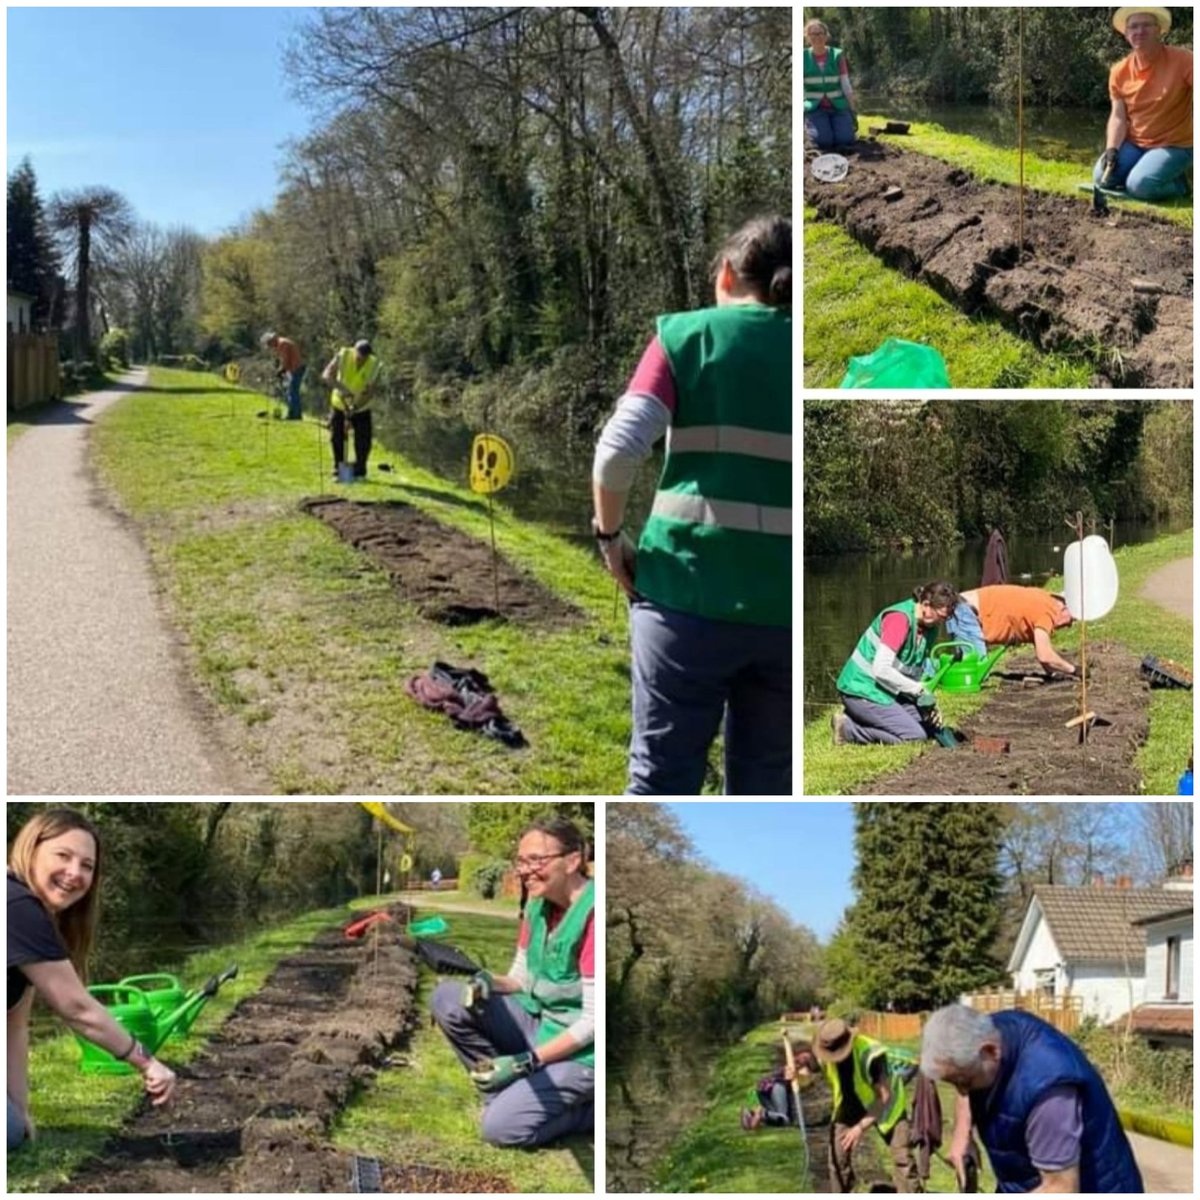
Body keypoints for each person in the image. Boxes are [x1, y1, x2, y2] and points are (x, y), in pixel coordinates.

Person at [591, 215, 791, 795]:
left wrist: (610, 539)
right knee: (765, 793)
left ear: (727, 274)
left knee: (661, 781)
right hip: (783, 616)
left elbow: (616, 453)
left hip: (683, 596)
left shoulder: (687, 338)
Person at [8, 809, 177, 1151]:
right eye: (63, 856)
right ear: (31, 849)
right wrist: (147, 1062)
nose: (75, 873)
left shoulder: (21, 909)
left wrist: (20, 1109)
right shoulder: (16, 906)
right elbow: (76, 1008)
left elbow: (13, 1025)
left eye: (87, 865)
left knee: (12, 1128)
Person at [430, 817, 593, 1148]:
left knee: (501, 1131)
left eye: (536, 860)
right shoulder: (536, 904)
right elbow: (520, 977)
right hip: (541, 1025)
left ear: (573, 860)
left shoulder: (592, 915)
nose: (524, 871)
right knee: (447, 998)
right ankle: (505, 1090)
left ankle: (586, 1111)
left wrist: (525, 1062)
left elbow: (593, 1023)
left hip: (583, 1054)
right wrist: (488, 981)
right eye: (521, 861)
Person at [921, 1004, 1144, 1193]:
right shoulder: (988, 1030)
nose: (962, 1090)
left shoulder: (1049, 1094)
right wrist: (962, 1131)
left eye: (964, 1082)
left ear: (990, 1052)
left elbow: (1061, 1188)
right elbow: (967, 1082)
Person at [791, 1018, 922, 1193]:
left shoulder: (872, 1055)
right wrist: (796, 1066)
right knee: (837, 1160)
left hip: (887, 1106)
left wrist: (859, 1128)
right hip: (849, 1105)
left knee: (902, 1158)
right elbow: (811, 1062)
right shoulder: (826, 1050)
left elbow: (885, 1097)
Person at [833, 581, 958, 745]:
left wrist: (927, 703)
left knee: (927, 726)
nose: (941, 623)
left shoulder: (929, 629)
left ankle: (862, 719)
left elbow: (912, 671)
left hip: (884, 690)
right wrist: (918, 690)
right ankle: (848, 729)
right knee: (915, 736)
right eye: (940, 617)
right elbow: (881, 670)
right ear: (926, 605)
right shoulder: (899, 620)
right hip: (860, 690)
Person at [1094, 8, 1192, 201]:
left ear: (1159, 30)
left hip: (1176, 145)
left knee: (1140, 186)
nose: (1140, 31)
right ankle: (1150, 171)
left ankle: (1179, 185)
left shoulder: (1184, 60)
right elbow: (1118, 117)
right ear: (1126, 34)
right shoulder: (1119, 71)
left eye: (1147, 25)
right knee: (1101, 178)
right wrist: (1112, 149)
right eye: (1133, 26)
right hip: (1136, 143)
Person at [950, 586, 1076, 677]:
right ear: (1064, 608)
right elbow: (1045, 655)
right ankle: (933, 673)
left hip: (963, 606)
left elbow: (1041, 648)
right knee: (975, 671)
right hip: (966, 611)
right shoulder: (1047, 613)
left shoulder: (1043, 600)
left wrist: (1052, 673)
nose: (1069, 626)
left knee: (968, 666)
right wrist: (1074, 670)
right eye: (1071, 620)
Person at [321, 338, 382, 479]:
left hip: (361, 407)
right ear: (355, 351)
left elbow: (370, 392)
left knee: (363, 440)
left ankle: (360, 470)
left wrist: (355, 407)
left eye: (365, 358)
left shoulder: (374, 364)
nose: (362, 360)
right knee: (337, 437)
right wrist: (341, 389)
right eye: (359, 356)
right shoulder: (343, 355)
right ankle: (339, 467)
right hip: (339, 403)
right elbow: (326, 375)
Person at [804, 19, 857, 151]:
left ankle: (841, 126)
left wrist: (852, 110)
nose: (818, 37)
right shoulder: (802, 57)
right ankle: (810, 126)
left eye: (821, 33)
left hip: (838, 106)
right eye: (813, 34)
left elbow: (845, 84)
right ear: (808, 37)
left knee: (845, 140)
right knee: (824, 142)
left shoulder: (837, 55)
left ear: (826, 35)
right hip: (815, 108)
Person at [259, 331, 306, 420]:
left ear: (272, 340)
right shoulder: (280, 344)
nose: (270, 347)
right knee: (291, 391)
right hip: (293, 369)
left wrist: (281, 371)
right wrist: (281, 370)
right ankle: (295, 414)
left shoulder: (283, 344)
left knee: (292, 392)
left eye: (269, 344)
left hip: (297, 368)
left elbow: (286, 360)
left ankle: (294, 415)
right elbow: (283, 360)